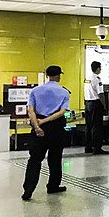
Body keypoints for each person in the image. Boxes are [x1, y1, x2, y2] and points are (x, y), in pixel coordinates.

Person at [22, 66, 70, 201]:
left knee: (35, 159)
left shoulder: (35, 91)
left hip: (38, 127)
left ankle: (28, 190)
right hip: (56, 128)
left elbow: (30, 110)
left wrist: (37, 126)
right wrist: (44, 121)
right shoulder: (64, 92)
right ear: (58, 76)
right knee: (55, 159)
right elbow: (62, 112)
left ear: (47, 75)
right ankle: (53, 186)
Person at [84, 61, 108, 155]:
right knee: (97, 127)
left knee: (88, 126)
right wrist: (104, 105)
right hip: (95, 104)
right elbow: (100, 94)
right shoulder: (97, 79)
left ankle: (88, 147)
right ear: (98, 68)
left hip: (88, 103)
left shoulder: (87, 78)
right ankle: (97, 148)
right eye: (100, 68)